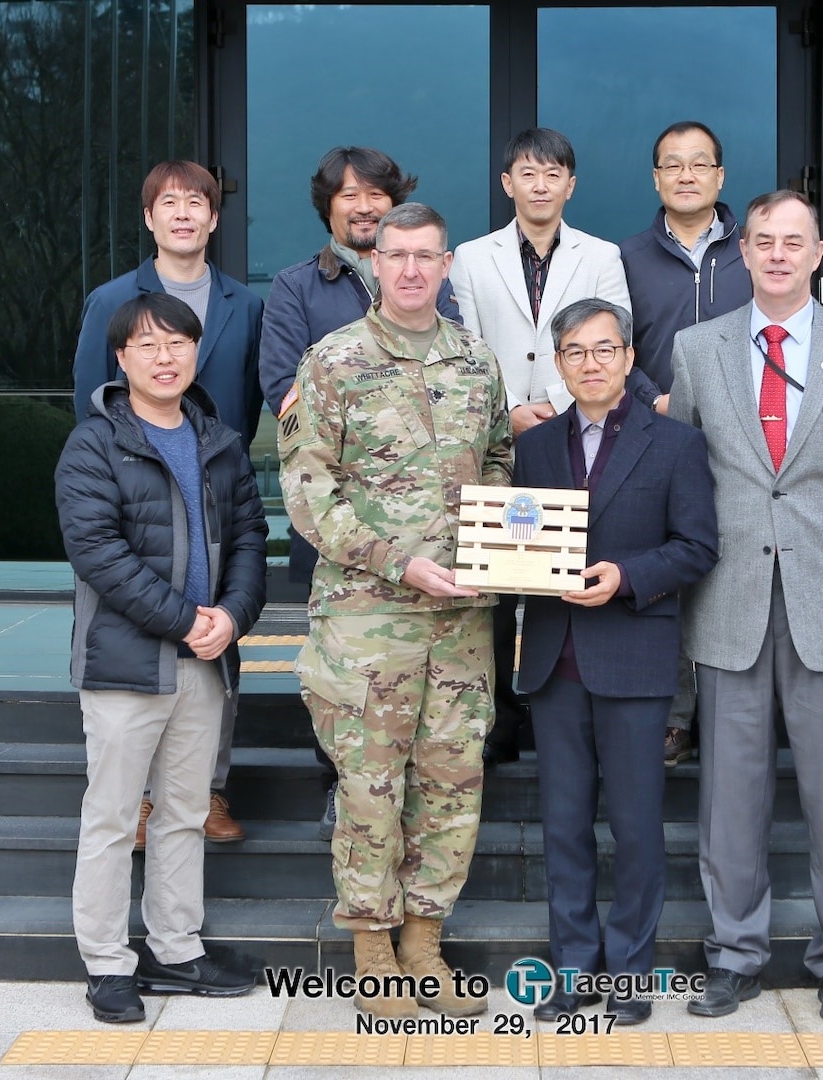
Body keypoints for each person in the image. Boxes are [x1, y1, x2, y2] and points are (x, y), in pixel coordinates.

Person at [669, 190, 823, 1025]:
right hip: (729, 594)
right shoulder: (698, 349)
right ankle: (735, 956)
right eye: (763, 240)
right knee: (729, 795)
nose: (777, 253)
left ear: (818, 256)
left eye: (793, 241)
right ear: (744, 252)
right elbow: (685, 475)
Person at [278, 202, 511, 1019]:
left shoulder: (478, 363)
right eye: (396, 255)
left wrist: (507, 547)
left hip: (461, 624)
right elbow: (308, 491)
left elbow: (499, 462)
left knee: (452, 783)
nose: (411, 269)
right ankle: (373, 950)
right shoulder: (333, 360)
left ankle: (424, 943)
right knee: (372, 785)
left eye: (426, 256)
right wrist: (398, 560)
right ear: (374, 262)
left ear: (447, 265)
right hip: (365, 618)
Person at [56, 293, 268, 1024]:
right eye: (147, 345)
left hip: (205, 662)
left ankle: (177, 948)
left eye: (177, 342)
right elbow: (99, 555)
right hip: (126, 664)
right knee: (114, 815)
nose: (165, 356)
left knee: (183, 810)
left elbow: (249, 540)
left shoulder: (220, 441)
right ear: (122, 359)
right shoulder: (94, 444)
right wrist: (187, 622)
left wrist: (233, 618)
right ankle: (108, 963)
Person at [514, 298, 718, 1026]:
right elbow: (519, 543)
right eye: (574, 352)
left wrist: (626, 577)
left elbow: (698, 546)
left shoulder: (676, 443)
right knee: (564, 826)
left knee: (635, 827)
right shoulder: (534, 448)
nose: (590, 364)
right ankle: (573, 966)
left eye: (604, 350)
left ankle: (631, 969)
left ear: (630, 358)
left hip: (635, 657)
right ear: (559, 363)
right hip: (553, 663)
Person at [260, 146, 461, 838]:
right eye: (349, 195)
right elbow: (283, 393)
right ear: (329, 207)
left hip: (431, 529)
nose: (365, 205)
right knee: (348, 681)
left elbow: (456, 392)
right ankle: (339, 792)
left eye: (377, 193)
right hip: (343, 530)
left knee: (429, 684)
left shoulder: (432, 284)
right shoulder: (295, 288)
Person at [72, 160, 263, 845]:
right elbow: (87, 405)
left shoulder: (246, 302)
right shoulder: (112, 299)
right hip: (135, 499)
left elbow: (246, 397)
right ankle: (144, 800)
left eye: (197, 202)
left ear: (214, 218)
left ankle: (205, 789)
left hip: (214, 492)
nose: (183, 213)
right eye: (168, 203)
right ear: (150, 218)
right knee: (143, 635)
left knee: (215, 640)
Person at [451, 128, 651, 768]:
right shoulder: (472, 257)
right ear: (507, 184)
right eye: (527, 175)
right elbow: (468, 350)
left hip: (577, 433)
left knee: (568, 568)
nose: (540, 186)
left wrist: (570, 411)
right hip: (500, 437)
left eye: (553, 174)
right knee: (500, 577)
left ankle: (563, 705)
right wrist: (507, 411)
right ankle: (501, 720)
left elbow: (611, 340)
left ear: (570, 184)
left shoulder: (601, 256)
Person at [619, 121, 753, 766]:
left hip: (750, 441)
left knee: (736, 571)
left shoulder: (755, 251)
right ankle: (674, 719)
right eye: (672, 165)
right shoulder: (629, 257)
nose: (687, 175)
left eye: (700, 164)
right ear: (656, 178)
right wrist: (655, 398)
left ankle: (730, 715)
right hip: (658, 435)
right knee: (668, 571)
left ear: (720, 176)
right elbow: (618, 345)